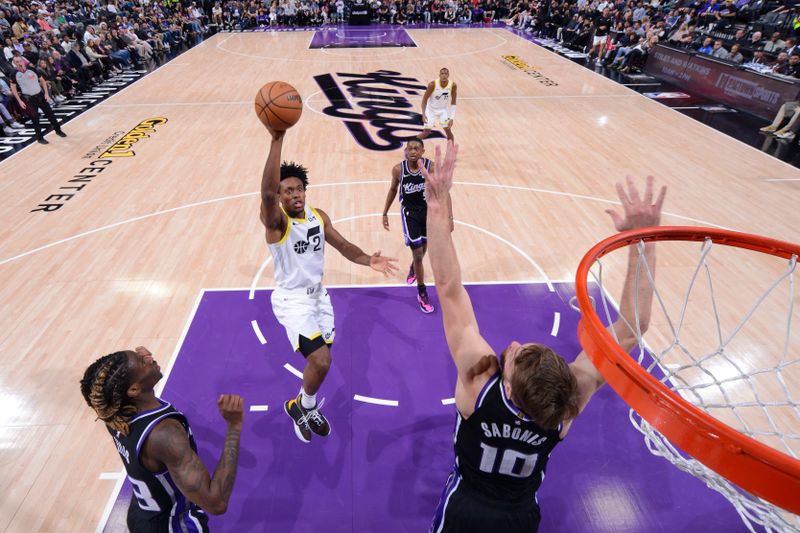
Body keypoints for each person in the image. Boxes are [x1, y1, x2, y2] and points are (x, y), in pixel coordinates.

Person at [423, 142, 666, 532]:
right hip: (519, 516)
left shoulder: (478, 384)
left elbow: (449, 287)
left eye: (517, 355)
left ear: (507, 385)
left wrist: (436, 208)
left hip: (465, 508)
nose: (515, 344)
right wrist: (643, 242)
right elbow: (631, 329)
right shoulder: (565, 410)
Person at [260, 127, 399, 443]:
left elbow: (343, 246)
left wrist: (367, 260)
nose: (294, 195)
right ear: (279, 198)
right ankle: (302, 404)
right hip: (292, 300)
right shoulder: (277, 223)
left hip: (318, 297)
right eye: (287, 191)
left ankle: (301, 405)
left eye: (298, 189)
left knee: (320, 363)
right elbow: (266, 195)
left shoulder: (317, 216)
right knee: (321, 360)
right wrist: (277, 139)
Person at [80, 347, 244, 531]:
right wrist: (234, 426)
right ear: (134, 389)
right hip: (173, 526)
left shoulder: (112, 413)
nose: (149, 357)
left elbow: (119, 379)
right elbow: (216, 503)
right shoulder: (164, 435)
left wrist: (138, 365)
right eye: (142, 361)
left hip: (142, 517)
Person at [382, 138, 453, 314]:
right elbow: (392, 190)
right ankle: (422, 292)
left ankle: (414, 267)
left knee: (424, 248)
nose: (412, 151)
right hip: (410, 214)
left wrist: (449, 217)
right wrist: (384, 212)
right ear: (406, 151)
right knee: (419, 254)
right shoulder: (399, 170)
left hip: (428, 213)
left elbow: (444, 192)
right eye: (409, 148)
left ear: (422, 152)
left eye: (416, 149)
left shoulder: (431, 167)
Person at [9, 56, 66, 144]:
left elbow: (42, 81)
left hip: (40, 96)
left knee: (50, 114)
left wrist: (46, 93)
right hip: (28, 99)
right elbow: (13, 88)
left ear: (23, 61)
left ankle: (58, 131)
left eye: (20, 61)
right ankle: (40, 138)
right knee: (35, 118)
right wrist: (19, 101)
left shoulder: (32, 69)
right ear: (14, 63)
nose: (19, 63)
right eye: (16, 62)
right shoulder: (13, 74)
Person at [418, 67, 458, 142]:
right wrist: (423, 114)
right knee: (426, 133)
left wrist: (451, 118)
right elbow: (424, 100)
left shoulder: (453, 85)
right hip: (431, 110)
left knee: (448, 132)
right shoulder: (432, 85)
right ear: (439, 75)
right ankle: (410, 146)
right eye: (442, 74)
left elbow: (453, 102)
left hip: (443, 110)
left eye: (446, 74)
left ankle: (451, 152)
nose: (444, 75)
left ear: (448, 75)